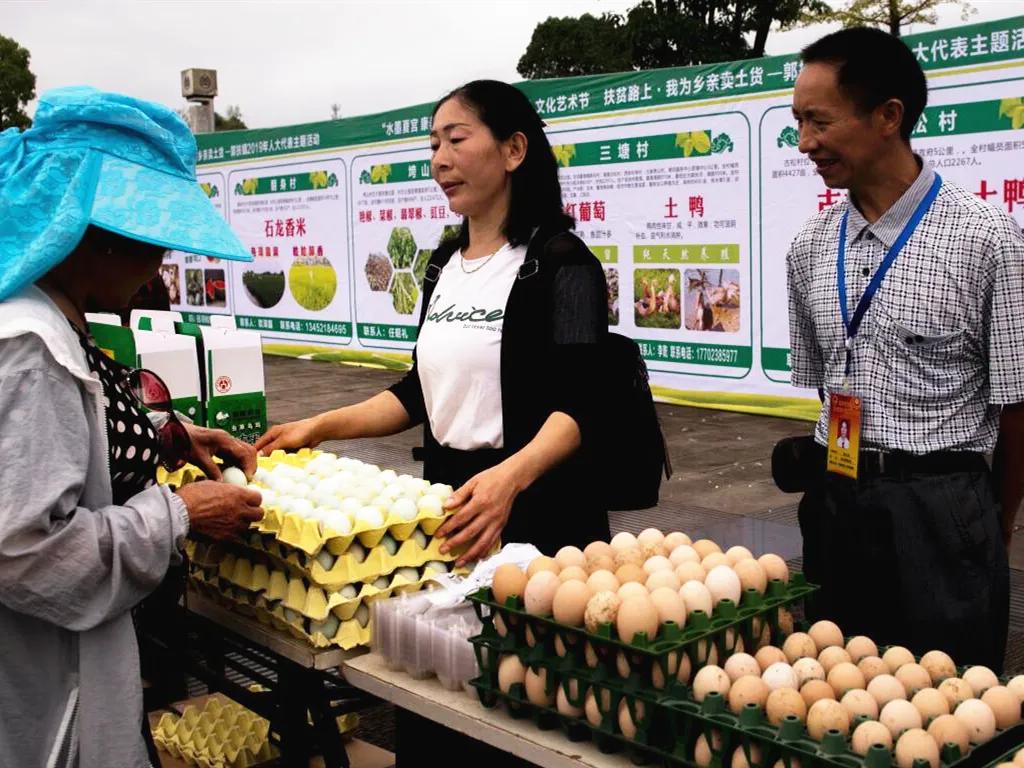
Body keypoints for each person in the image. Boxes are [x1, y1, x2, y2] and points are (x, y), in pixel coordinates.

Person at [0, 86, 264, 768]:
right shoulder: (29, 350)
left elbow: (76, 432)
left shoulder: (50, 315)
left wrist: (165, 434)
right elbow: (27, 553)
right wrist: (176, 514)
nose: (161, 265)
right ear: (98, 239)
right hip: (47, 686)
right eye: (153, 242)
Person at [257, 80, 611, 564]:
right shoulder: (442, 264)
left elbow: (584, 405)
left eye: (456, 139)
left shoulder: (565, 263)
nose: (439, 159)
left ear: (513, 149)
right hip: (449, 511)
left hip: (540, 521)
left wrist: (508, 480)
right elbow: (418, 393)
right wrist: (318, 427)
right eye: (433, 144)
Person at [786, 28, 1023, 670]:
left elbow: (1016, 405)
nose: (805, 142)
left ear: (888, 116)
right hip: (836, 498)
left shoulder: (988, 239)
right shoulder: (809, 246)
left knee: (952, 701)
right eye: (798, 121)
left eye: (820, 121)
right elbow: (822, 378)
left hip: (942, 509)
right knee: (836, 689)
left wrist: (988, 525)